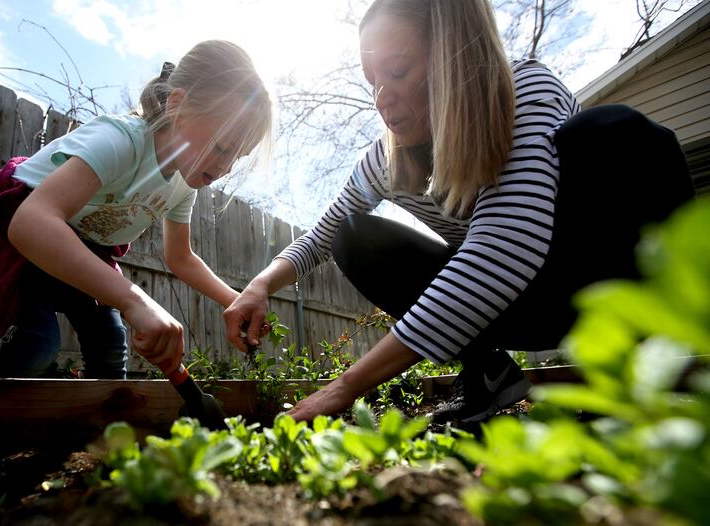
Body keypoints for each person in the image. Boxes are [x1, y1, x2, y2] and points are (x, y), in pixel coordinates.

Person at [223, 0, 694, 423]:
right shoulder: (387, 159)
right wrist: (261, 284)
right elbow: (322, 236)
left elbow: (504, 251)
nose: (381, 95)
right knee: (353, 233)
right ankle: (490, 377)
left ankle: (657, 363)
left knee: (615, 131)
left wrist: (343, 388)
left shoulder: (524, 91)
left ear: (454, 55)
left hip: (583, 289)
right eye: (374, 81)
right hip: (511, 310)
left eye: (399, 70)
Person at [0, 40, 273, 379]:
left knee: (110, 345)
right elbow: (31, 222)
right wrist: (136, 301)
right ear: (178, 105)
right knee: (37, 345)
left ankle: (103, 427)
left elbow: (181, 258)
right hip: (19, 235)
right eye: (221, 148)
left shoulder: (182, 183)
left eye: (238, 157)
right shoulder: (122, 140)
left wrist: (235, 301)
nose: (227, 167)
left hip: (81, 250)